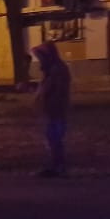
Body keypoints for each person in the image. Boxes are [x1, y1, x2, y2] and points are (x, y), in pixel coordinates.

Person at [31, 41, 72, 177]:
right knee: (51, 139)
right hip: (50, 110)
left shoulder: (57, 69)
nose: (39, 60)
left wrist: (46, 97)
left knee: (55, 139)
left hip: (56, 110)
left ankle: (58, 167)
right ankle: (54, 166)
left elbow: (57, 90)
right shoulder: (50, 69)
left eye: (41, 56)